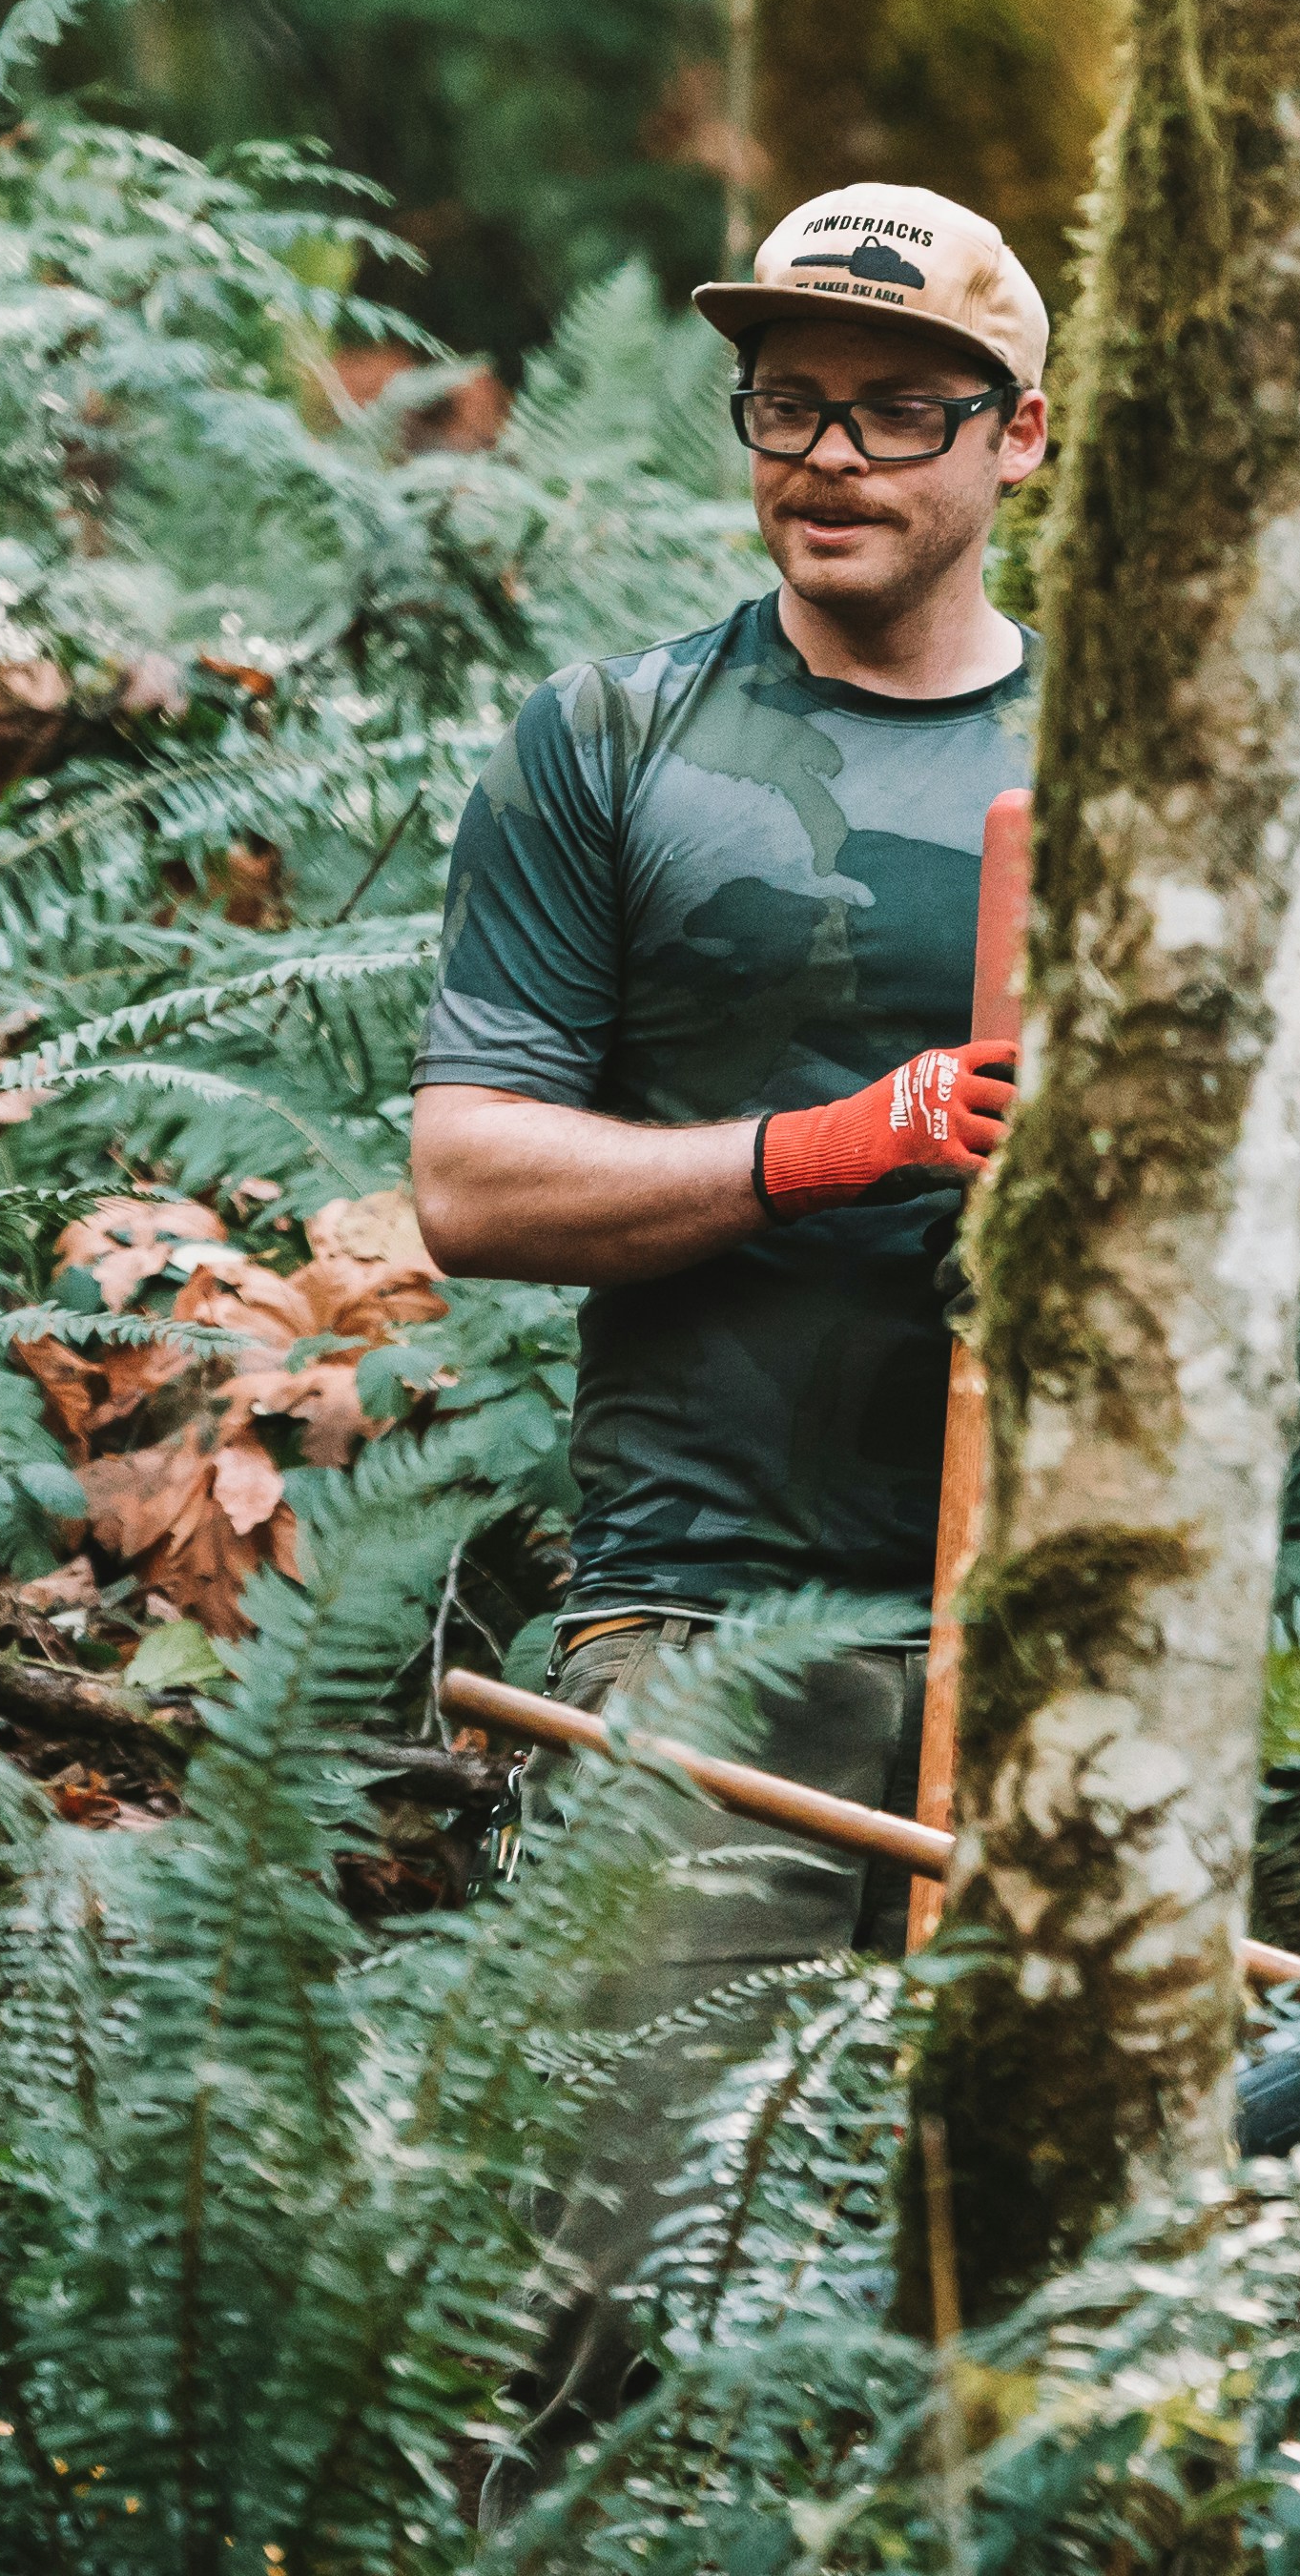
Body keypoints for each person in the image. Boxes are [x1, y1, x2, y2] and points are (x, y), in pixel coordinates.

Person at [407, 177, 1064, 2446]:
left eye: (901, 407)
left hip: (1071, 1636)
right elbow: (471, 1177)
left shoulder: (1126, 784)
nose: (836, 456)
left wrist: (1103, 1157)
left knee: (1019, 2349)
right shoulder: (608, 739)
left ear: (1022, 440)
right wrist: (841, 1138)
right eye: (792, 400)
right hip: (699, 1629)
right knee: (589, 2307)